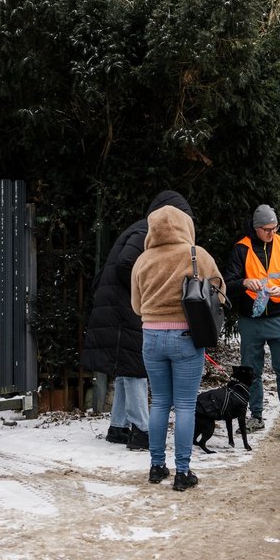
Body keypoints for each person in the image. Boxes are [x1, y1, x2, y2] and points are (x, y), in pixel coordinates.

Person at [81, 191, 194, 451]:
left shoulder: (141, 229)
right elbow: (126, 265)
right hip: (124, 309)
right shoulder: (147, 230)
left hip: (116, 307)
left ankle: (118, 427)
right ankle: (142, 431)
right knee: (135, 369)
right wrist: (148, 292)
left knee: (126, 370)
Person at [131, 203, 225, 491]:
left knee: (159, 402)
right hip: (186, 336)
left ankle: (157, 466)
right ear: (186, 226)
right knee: (185, 405)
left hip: (151, 337)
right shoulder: (197, 255)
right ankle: (183, 472)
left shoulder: (142, 260)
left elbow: (136, 306)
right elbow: (220, 293)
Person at [224, 204, 280, 440]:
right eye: (267, 229)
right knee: (251, 371)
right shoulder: (241, 248)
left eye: (275, 228)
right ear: (256, 228)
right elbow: (228, 282)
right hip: (251, 320)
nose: (272, 233)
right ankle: (256, 416)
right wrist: (245, 283)